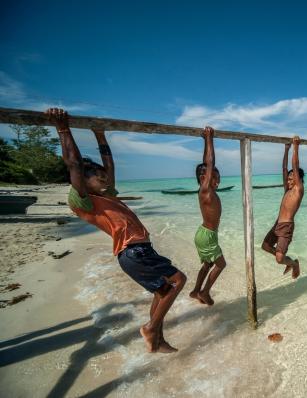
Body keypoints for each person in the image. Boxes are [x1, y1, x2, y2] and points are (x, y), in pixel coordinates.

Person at [47, 108, 186, 354]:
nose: (105, 180)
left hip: (140, 250)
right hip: (133, 252)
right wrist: (63, 128)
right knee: (179, 280)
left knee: (163, 290)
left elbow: (109, 167)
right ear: (82, 180)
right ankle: (151, 328)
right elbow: (75, 165)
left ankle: (156, 339)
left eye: (104, 177)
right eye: (98, 177)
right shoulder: (83, 200)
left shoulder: (106, 194)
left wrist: (100, 136)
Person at [189, 126, 226, 306]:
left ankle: (196, 291)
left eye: (218, 177)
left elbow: (206, 166)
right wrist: (210, 139)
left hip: (205, 234)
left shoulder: (206, 191)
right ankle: (204, 292)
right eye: (214, 177)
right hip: (207, 236)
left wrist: (205, 140)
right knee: (220, 265)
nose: (217, 180)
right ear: (205, 178)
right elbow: (208, 163)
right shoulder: (205, 191)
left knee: (207, 264)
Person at [261, 136, 304, 279]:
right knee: (266, 246)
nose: (289, 180)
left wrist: (295, 147)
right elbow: (285, 168)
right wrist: (286, 149)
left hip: (286, 226)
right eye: (289, 178)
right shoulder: (287, 189)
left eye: (292, 178)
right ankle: (286, 259)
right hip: (277, 223)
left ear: (298, 180)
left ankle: (293, 264)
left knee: (279, 258)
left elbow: (294, 165)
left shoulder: (298, 190)